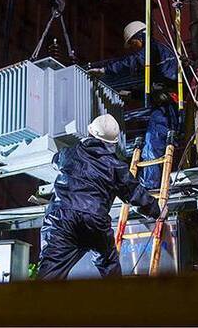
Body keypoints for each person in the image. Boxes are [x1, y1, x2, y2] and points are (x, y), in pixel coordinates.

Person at [37, 114, 164, 280]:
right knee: (108, 266)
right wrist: (157, 211)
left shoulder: (68, 154)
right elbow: (135, 193)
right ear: (113, 143)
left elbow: (55, 160)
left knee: (49, 274)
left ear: (90, 132)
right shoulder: (116, 166)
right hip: (94, 220)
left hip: (61, 219)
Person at [89, 21, 180, 189]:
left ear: (139, 37)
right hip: (167, 103)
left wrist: (105, 70)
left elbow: (134, 62)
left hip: (166, 105)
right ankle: (152, 181)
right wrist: (130, 94)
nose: (134, 47)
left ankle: (150, 185)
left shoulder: (152, 48)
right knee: (155, 142)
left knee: (152, 144)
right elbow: (153, 85)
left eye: (133, 43)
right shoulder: (158, 52)